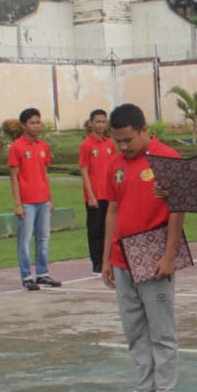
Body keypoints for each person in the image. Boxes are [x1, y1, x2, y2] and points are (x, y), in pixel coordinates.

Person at [101, 104, 185, 392]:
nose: (123, 147)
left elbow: (178, 209)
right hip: (123, 255)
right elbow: (112, 210)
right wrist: (107, 257)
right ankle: (144, 391)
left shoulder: (167, 158)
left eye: (128, 140)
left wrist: (169, 255)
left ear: (144, 130)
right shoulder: (115, 164)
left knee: (161, 330)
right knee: (134, 329)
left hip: (153, 253)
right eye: (118, 141)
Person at [9, 107, 58, 289]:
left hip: (43, 200)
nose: (36, 126)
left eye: (38, 122)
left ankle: (43, 273)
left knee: (43, 238)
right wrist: (18, 203)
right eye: (32, 123)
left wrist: (49, 199)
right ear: (24, 125)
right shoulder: (17, 147)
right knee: (25, 240)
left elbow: (45, 173)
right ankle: (26, 276)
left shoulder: (43, 146)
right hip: (27, 202)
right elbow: (13, 176)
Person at [79, 109, 114, 273]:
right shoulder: (87, 145)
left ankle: (109, 259)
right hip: (94, 195)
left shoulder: (110, 144)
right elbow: (84, 171)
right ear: (91, 123)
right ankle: (97, 262)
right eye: (97, 121)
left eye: (103, 121)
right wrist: (90, 195)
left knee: (109, 228)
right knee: (95, 230)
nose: (100, 124)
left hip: (109, 194)